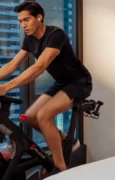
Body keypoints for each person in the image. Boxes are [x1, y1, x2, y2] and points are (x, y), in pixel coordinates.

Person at [0, 2, 92, 172]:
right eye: (20, 21)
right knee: (30, 116)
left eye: (26, 19)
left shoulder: (55, 34)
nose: (23, 25)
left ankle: (59, 169)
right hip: (61, 83)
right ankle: (66, 140)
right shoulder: (29, 40)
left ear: (39, 17)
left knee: (43, 115)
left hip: (79, 82)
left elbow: (39, 67)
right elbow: (12, 65)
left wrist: (6, 87)